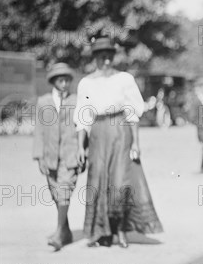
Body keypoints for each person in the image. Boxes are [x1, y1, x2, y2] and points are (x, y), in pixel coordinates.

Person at [74, 36, 163, 247]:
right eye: (102, 57)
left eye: (109, 57)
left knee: (120, 181)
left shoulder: (124, 79)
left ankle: (121, 229)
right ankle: (102, 231)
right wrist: (80, 146)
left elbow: (132, 112)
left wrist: (136, 143)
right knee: (98, 180)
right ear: (95, 58)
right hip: (98, 132)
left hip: (121, 131)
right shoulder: (86, 83)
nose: (106, 62)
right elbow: (82, 117)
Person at [33, 63, 81, 251]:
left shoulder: (77, 101)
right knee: (56, 194)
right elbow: (39, 131)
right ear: (53, 82)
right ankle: (66, 231)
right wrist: (39, 156)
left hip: (70, 155)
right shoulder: (44, 101)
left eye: (67, 80)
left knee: (64, 192)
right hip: (50, 156)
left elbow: (83, 128)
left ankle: (59, 233)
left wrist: (83, 152)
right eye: (60, 80)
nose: (64, 84)